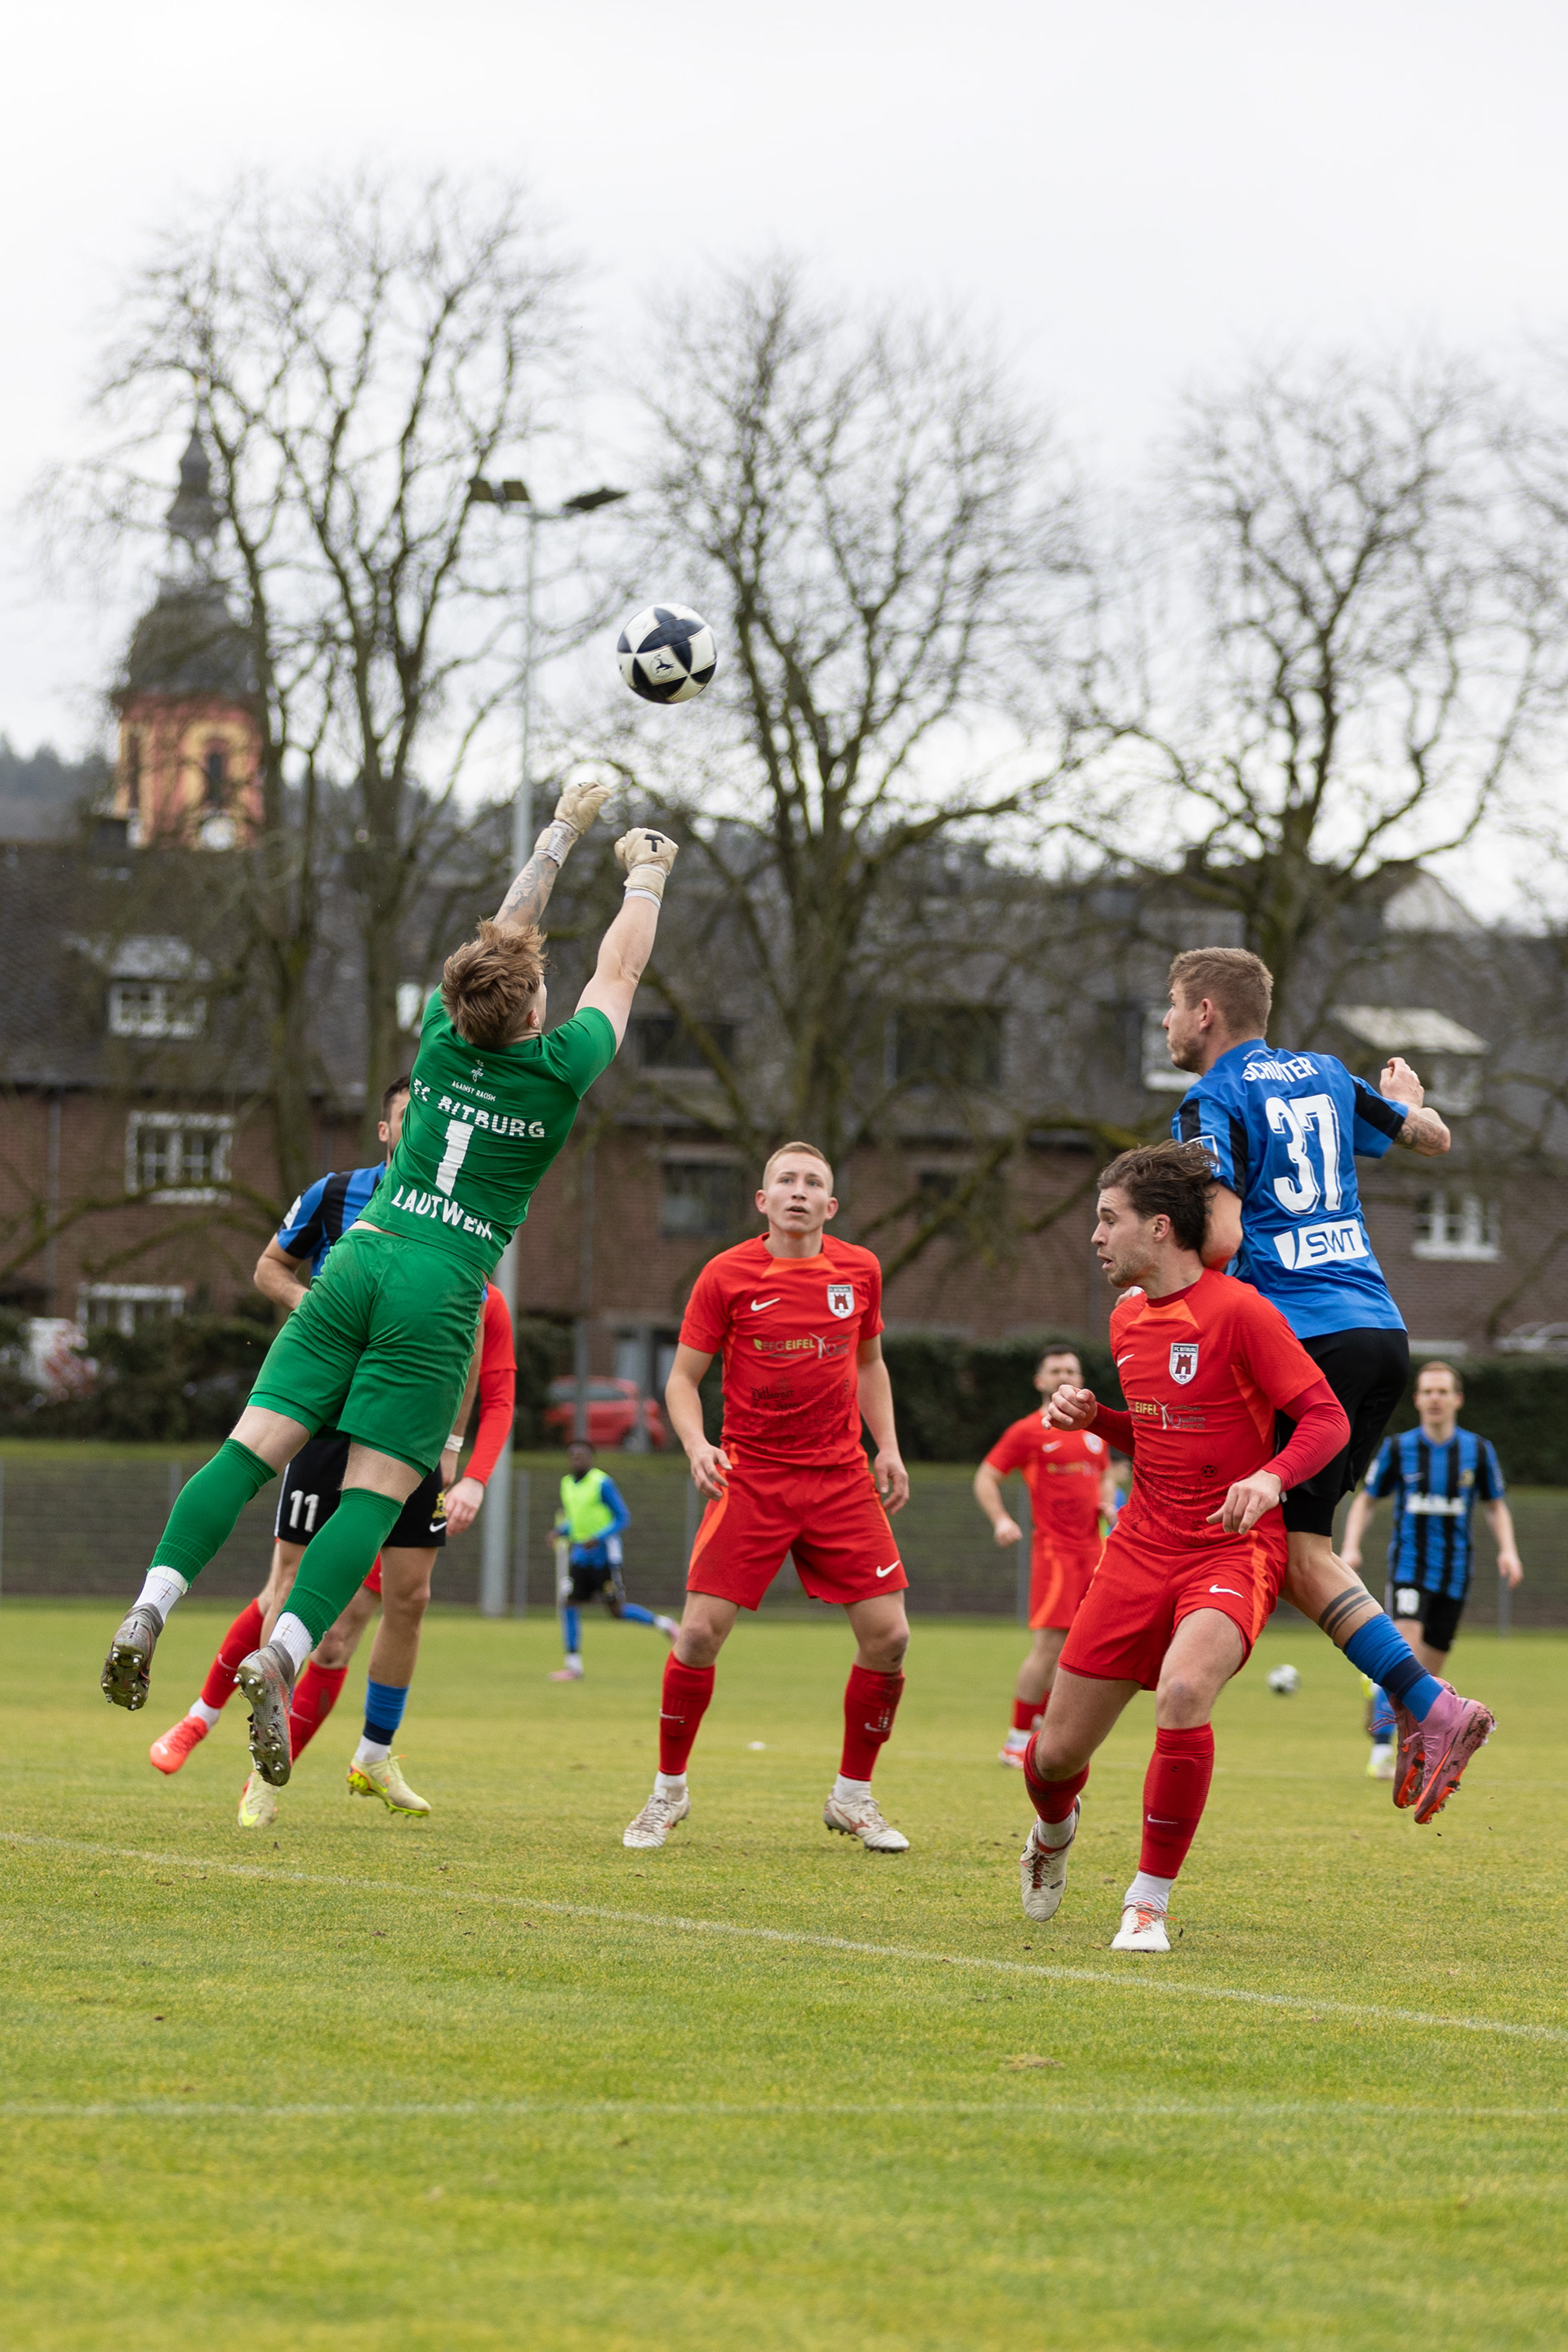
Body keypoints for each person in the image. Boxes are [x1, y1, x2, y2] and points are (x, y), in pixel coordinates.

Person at [101, 783, 678, 1789]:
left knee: (250, 1450)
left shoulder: (441, 1040)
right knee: (374, 1489)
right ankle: (281, 1656)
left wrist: (558, 834)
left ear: (460, 1002)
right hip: (441, 1283)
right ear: (536, 1007)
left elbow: (504, 935)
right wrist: (647, 870)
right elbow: (620, 968)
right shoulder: (560, 1069)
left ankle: (151, 1602)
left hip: (360, 1256)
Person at [1162, 946, 1494, 1817]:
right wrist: (1414, 1100)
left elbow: (1226, 1238)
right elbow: (1431, 1138)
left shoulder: (1211, 1100)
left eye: (1169, 1006)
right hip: (1379, 1332)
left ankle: (1430, 1706)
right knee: (1304, 1550)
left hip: (1303, 1343)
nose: (1163, 1023)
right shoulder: (1327, 1074)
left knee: (1262, 1536)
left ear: (1206, 1013)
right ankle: (1423, 1708)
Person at [1019, 1142, 1355, 1952]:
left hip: (1231, 1549)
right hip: (1137, 1547)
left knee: (1182, 1694)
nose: (1095, 1237)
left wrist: (1273, 1480)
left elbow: (1327, 1419)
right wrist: (1097, 1419)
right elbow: (1166, 1436)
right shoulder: (1127, 1319)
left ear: (1159, 1229)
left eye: (1108, 1220)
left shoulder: (1241, 1313)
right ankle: (1053, 1836)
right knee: (1054, 1757)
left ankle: (1147, 1901)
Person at [622, 1143, 912, 1855]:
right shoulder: (726, 1274)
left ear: (830, 1205)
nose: (798, 1191)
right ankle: (667, 1795)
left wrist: (890, 1448)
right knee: (696, 1636)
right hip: (751, 1477)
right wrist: (697, 1446)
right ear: (762, 1200)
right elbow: (682, 1381)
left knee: (890, 1638)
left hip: (841, 1477)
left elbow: (870, 1363)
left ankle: (853, 1798)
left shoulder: (860, 1270)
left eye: (813, 1182)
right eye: (785, 1180)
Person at [1341, 1359, 1521, 1784]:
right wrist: (1350, 1545)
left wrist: (1509, 1551)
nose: (1435, 1398)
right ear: (1418, 1399)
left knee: (1429, 1673)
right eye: (1427, 1391)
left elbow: (1495, 1505)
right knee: (1406, 1653)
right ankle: (1383, 1752)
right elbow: (1368, 1498)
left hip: (1455, 1575)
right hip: (1409, 1568)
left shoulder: (1476, 1450)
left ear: (1457, 1399)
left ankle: (1405, 1728)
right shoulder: (1399, 1449)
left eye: (1443, 1391)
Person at [973, 1345, 1121, 1767]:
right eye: (1055, 1369)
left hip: (1093, 1553)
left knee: (1079, 1649)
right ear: (1040, 1381)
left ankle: (1046, 1733)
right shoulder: (1028, 1431)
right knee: (1049, 1647)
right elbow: (986, 1476)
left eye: (1071, 1369)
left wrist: (1107, 1501)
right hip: (1055, 1555)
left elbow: (1106, 1475)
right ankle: (1016, 1741)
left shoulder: (1094, 1429)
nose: (1063, 1375)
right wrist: (1001, 1519)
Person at [549, 1437, 678, 1680]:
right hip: (580, 1557)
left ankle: (665, 1625)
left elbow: (622, 1517)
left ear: (591, 1459)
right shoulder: (566, 1483)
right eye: (573, 1456)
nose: (577, 1460)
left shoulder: (602, 1482)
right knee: (569, 1604)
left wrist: (597, 1537)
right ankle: (574, 1666)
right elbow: (578, 1520)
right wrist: (560, 1531)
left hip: (604, 1557)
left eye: (582, 1456)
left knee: (617, 1610)